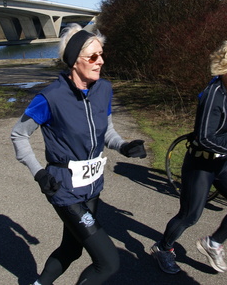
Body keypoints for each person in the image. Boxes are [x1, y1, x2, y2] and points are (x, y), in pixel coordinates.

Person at [10, 24, 147, 285]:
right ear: (75, 61)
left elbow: (107, 131)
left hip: (93, 187)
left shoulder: (104, 89)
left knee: (71, 249)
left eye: (102, 55)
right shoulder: (50, 97)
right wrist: (39, 173)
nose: (101, 61)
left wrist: (124, 146)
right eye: (93, 57)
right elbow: (19, 134)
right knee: (108, 262)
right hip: (64, 188)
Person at [151, 39, 227, 274]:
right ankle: (163, 248)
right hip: (200, 164)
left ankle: (212, 243)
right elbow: (204, 138)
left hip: (222, 162)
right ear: (225, 68)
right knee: (189, 216)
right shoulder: (213, 95)